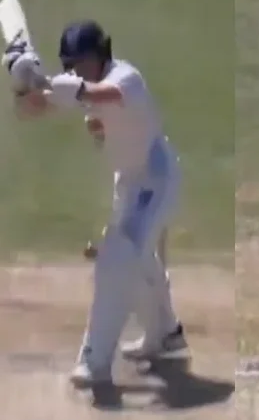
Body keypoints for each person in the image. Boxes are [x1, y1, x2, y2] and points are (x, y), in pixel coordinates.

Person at [3, 20, 186, 388]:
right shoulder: (78, 85)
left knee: (116, 260)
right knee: (137, 260)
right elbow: (29, 111)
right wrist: (23, 83)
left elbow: (106, 95)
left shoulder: (125, 77)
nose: (76, 69)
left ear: (101, 54)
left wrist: (62, 84)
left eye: (82, 62)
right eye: (70, 63)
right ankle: (164, 333)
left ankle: (95, 361)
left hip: (156, 179)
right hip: (129, 184)